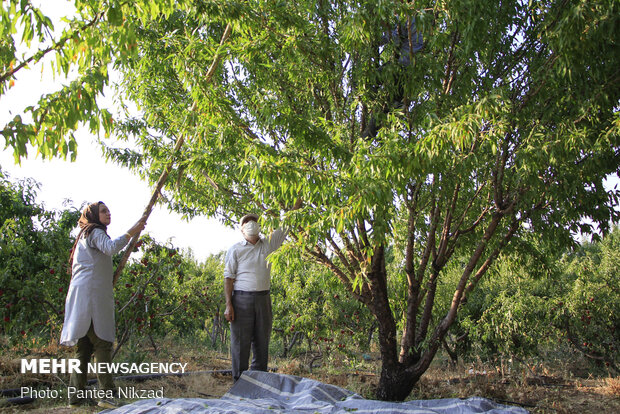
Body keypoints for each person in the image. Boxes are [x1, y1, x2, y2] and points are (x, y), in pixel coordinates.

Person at [60, 201, 146, 408]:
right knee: (102, 344)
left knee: (84, 348)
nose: (108, 213)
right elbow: (110, 248)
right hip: (92, 297)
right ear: (93, 216)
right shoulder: (95, 232)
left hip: (82, 296)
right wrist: (131, 232)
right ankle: (107, 395)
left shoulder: (85, 234)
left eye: (108, 210)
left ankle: (76, 399)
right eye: (103, 211)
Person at [223, 213, 287, 382]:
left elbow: (286, 224)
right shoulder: (235, 249)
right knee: (240, 344)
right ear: (241, 228)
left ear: (260, 226)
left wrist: (297, 200)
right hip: (241, 300)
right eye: (246, 221)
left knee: (261, 342)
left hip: (263, 299)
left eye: (254, 221)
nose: (251, 223)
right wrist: (229, 304)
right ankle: (239, 383)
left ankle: (258, 382)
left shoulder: (268, 244)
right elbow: (229, 278)